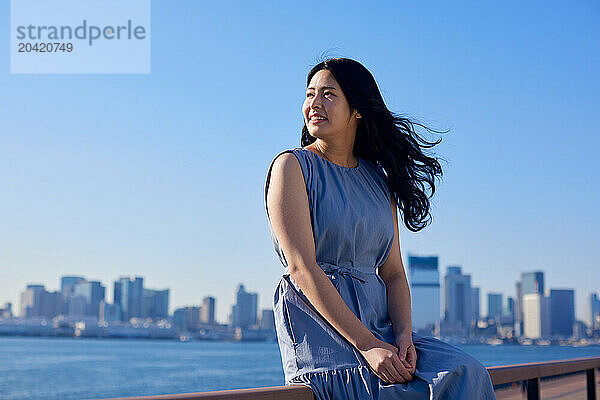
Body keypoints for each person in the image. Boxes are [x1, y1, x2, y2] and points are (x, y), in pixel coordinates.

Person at [264, 57, 496, 399]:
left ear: (357, 109)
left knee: (468, 373)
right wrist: (368, 345)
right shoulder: (292, 167)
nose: (314, 104)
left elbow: (394, 274)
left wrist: (403, 337)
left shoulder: (378, 181)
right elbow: (301, 268)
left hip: (383, 329)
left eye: (328, 94)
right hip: (326, 334)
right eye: (310, 94)